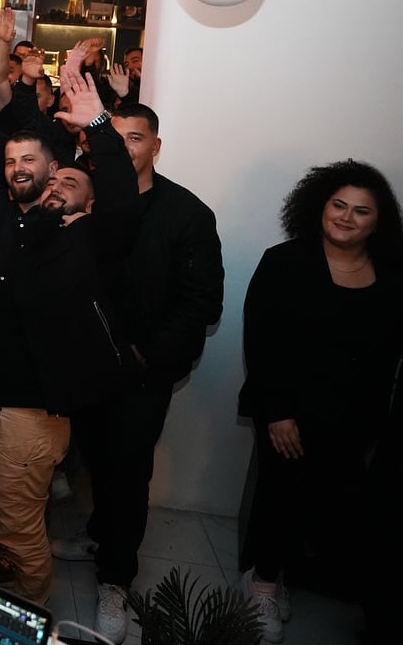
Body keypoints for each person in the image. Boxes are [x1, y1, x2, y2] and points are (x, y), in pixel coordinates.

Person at [0, 46, 141, 608]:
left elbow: (124, 208)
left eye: (29, 159)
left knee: (17, 532)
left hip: (29, 417)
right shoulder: (1, 218)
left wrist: (100, 127)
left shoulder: (78, 235)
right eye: (12, 161)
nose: (19, 168)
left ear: (54, 169)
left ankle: (31, 620)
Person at [59, 102, 224, 640]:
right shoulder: (92, 204)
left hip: (144, 371)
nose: (125, 147)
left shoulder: (187, 213)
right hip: (89, 365)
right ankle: (99, 535)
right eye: (116, 137)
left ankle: (116, 580)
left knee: (128, 471)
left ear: (156, 145)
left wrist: (145, 354)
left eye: (135, 138)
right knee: (94, 460)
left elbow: (202, 302)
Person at [238, 160, 403, 644]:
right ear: (320, 206)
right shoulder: (284, 261)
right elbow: (260, 341)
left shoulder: (393, 276)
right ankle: (261, 583)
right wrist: (277, 412)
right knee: (280, 493)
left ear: (378, 221)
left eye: (361, 211)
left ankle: (278, 576)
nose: (346, 217)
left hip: (353, 418)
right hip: (287, 412)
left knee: (321, 501)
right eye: (339, 205)